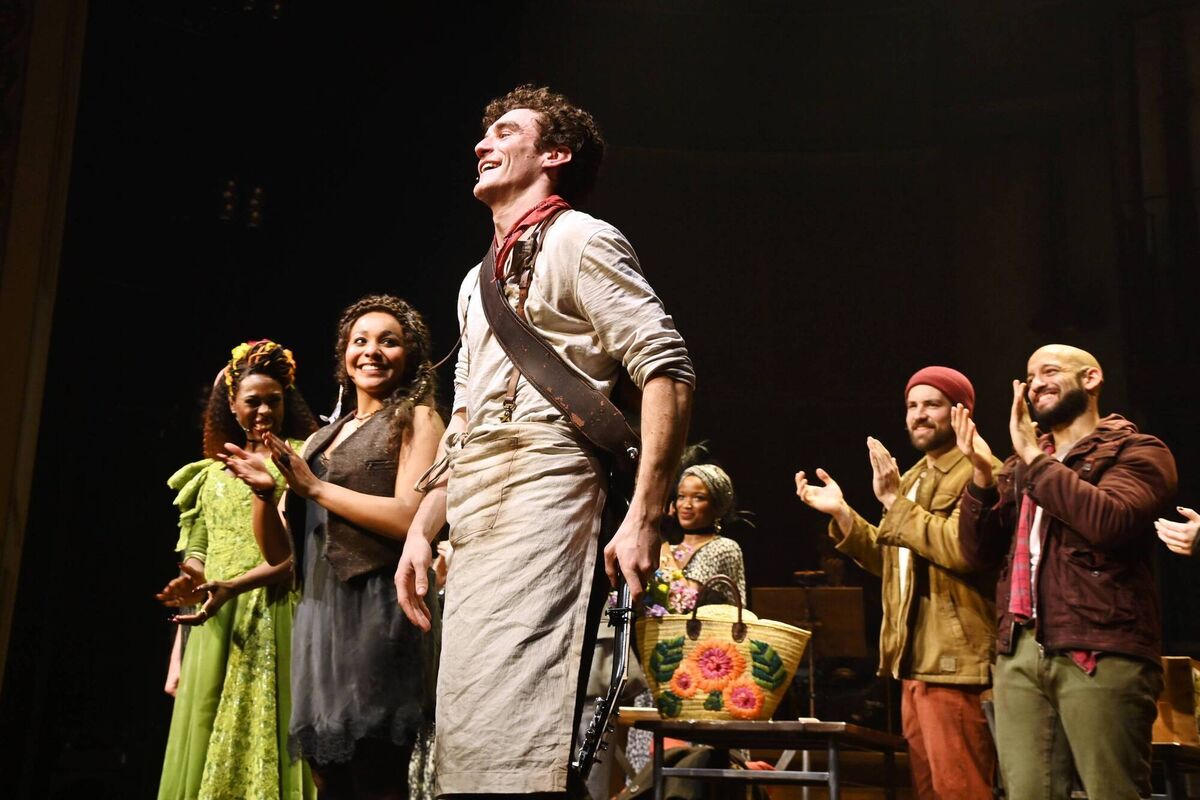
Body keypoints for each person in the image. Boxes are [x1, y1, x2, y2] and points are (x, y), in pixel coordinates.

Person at [394, 84, 694, 797]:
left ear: (553, 154)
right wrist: (420, 528)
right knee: (468, 718)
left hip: (545, 482)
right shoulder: (475, 283)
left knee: (522, 710)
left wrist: (645, 516)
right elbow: (463, 417)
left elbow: (667, 369)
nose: (482, 144)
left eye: (505, 131)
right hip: (476, 505)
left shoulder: (580, 239)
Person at [221, 295, 445, 799]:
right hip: (320, 613)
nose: (372, 351)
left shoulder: (417, 419)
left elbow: (412, 517)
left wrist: (316, 488)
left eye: (389, 341)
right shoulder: (323, 437)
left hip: (381, 608)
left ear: (410, 354)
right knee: (328, 774)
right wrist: (266, 494)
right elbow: (282, 554)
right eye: (360, 341)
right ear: (343, 353)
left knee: (374, 769)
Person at [955, 344, 1178, 800]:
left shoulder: (1138, 451)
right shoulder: (1020, 465)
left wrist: (1036, 460)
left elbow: (1108, 522)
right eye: (1030, 376)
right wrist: (981, 474)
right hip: (1019, 651)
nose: (1036, 384)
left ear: (1092, 379)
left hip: (1100, 647)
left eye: (1050, 371)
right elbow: (977, 554)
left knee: (1112, 791)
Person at [794, 365, 999, 800]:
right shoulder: (914, 476)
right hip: (914, 663)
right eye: (911, 405)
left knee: (962, 790)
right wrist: (843, 514)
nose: (918, 415)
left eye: (932, 404)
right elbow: (894, 561)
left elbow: (962, 552)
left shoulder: (978, 472)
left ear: (960, 411)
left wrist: (891, 501)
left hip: (956, 664)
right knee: (929, 792)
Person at [156, 339, 319, 800]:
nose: (264, 410)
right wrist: (191, 576)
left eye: (274, 400)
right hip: (215, 619)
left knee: (272, 725)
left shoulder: (303, 462)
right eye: (253, 401)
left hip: (279, 610)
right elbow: (199, 547)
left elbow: (296, 553)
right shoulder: (208, 475)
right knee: (205, 735)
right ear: (232, 404)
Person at [654, 462, 748, 611]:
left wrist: (661, 538)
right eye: (681, 496)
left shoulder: (724, 547)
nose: (686, 505)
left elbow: (683, 602)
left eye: (698, 498)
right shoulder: (668, 550)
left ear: (717, 506)